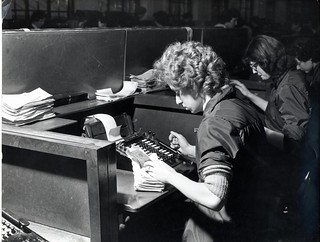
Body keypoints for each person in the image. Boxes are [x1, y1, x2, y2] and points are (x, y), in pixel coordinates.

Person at [144, 41, 278, 241]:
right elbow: (238, 155)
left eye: (179, 92)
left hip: (226, 227)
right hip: (254, 217)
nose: (178, 101)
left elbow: (214, 196)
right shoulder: (237, 103)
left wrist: (169, 175)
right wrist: (191, 151)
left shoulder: (214, 124)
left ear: (195, 83)